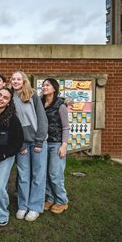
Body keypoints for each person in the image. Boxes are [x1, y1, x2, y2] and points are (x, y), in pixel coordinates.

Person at [10, 70, 48, 222]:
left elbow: (42, 119)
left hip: (37, 141)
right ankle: (23, 205)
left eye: (19, 79)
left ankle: (35, 207)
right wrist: (19, 144)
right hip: (22, 144)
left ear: (24, 80)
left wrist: (39, 141)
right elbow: (12, 125)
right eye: (13, 79)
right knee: (23, 176)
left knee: (38, 175)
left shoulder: (32, 96)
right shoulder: (9, 98)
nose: (16, 81)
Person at [0, 87, 24, 226]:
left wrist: (5, 153)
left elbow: (18, 140)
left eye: (5, 98)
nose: (1, 99)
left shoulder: (12, 118)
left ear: (8, 102)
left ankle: (1, 213)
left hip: (5, 156)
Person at [41, 78, 69, 214]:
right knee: (45, 173)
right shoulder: (40, 103)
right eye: (43, 85)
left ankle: (62, 201)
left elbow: (65, 127)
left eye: (47, 85)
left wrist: (63, 145)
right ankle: (50, 198)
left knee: (55, 174)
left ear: (54, 88)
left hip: (56, 143)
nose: (44, 87)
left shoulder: (60, 105)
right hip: (44, 143)